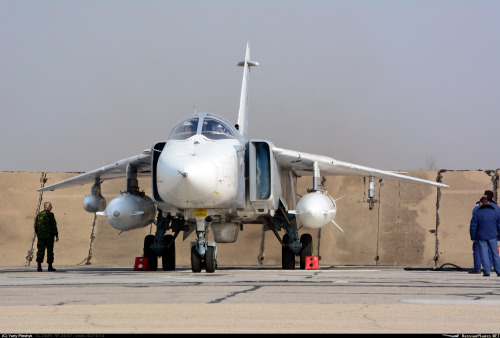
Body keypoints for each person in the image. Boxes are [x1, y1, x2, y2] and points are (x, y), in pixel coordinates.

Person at [469, 190, 499, 274]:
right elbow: (499, 223)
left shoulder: (477, 209)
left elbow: (473, 225)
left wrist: (473, 237)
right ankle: (498, 271)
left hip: (481, 235)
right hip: (493, 234)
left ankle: (483, 270)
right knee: (494, 253)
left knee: (481, 252)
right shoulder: (496, 208)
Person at [34, 202, 59, 272]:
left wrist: (38, 234)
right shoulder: (50, 215)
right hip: (49, 237)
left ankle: (39, 266)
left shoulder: (39, 215)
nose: (51, 207)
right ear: (46, 207)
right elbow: (54, 225)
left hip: (41, 237)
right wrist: (56, 235)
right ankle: (50, 267)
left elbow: (35, 226)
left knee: (40, 251)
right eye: (50, 206)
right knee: (50, 251)